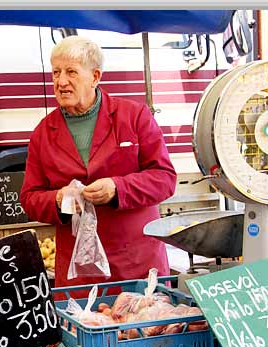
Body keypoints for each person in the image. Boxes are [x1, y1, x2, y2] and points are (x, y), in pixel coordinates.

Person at [20, 36, 177, 289]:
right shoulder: (42, 133)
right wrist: (58, 199)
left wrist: (118, 188)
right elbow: (29, 197)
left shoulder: (134, 116)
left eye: (71, 72)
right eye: (56, 72)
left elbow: (165, 178)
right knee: (85, 327)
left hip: (135, 263)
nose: (61, 82)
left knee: (144, 327)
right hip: (79, 270)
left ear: (95, 77)